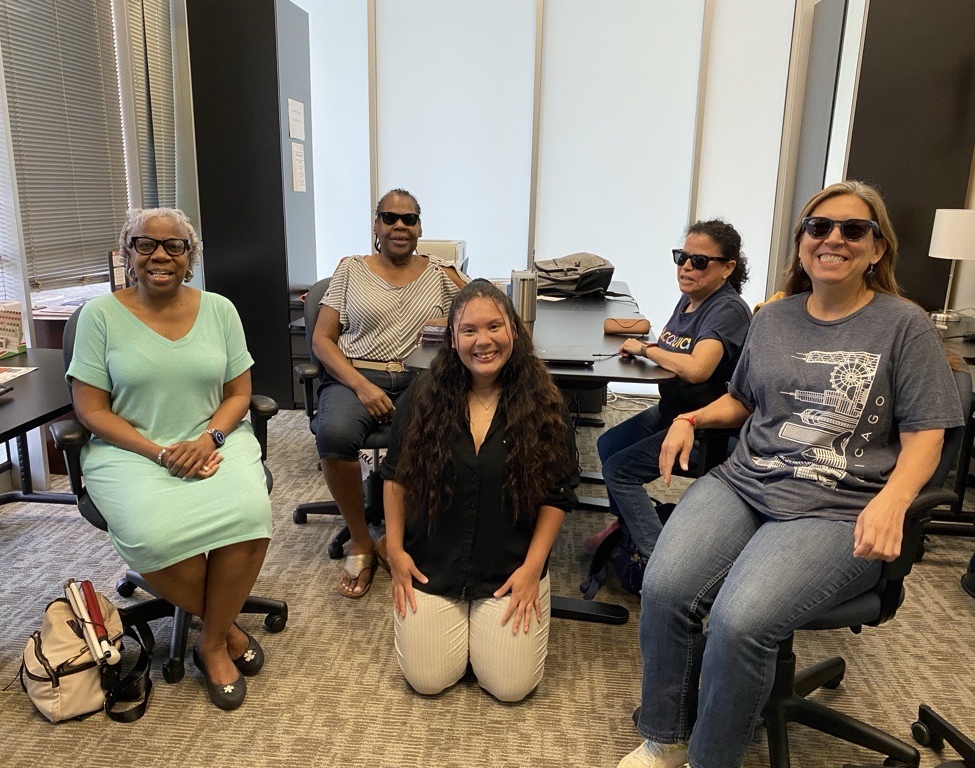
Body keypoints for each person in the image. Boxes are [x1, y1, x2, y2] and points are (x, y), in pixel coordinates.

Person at [618, 180, 964, 768]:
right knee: (665, 587)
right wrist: (693, 418)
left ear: (877, 249)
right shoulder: (773, 318)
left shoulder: (904, 326)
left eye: (853, 229)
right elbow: (745, 402)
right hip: (745, 483)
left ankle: (712, 758)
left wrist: (894, 501)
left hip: (838, 505)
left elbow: (926, 436)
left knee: (739, 620)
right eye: (818, 227)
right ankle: (666, 735)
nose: (833, 238)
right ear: (801, 242)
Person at [67, 208, 272, 712]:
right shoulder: (99, 316)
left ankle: (208, 640)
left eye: (174, 246)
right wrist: (159, 452)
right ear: (129, 255)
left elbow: (239, 393)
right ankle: (224, 630)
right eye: (145, 244)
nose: (160, 254)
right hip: (132, 452)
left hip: (213, 440)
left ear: (190, 257)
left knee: (249, 518)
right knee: (157, 536)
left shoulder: (220, 310)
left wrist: (210, 439)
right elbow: (90, 409)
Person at [379, 279, 579, 701]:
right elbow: (396, 477)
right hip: (434, 560)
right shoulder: (422, 396)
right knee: (429, 680)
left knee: (510, 687)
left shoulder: (546, 402)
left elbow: (557, 495)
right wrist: (395, 552)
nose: (482, 341)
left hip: (508, 567)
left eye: (494, 327)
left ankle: (483, 631)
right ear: (452, 339)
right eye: (468, 330)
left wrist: (531, 569)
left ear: (514, 332)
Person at [312, 188, 467, 598]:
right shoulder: (350, 270)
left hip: (420, 377)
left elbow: (487, 311)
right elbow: (322, 340)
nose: (400, 225)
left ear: (420, 228)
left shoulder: (438, 274)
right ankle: (364, 540)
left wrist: (457, 276)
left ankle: (411, 536)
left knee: (438, 434)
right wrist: (361, 386)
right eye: (390, 217)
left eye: (409, 219)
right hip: (358, 374)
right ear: (376, 225)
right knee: (335, 434)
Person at [591, 220, 751, 584]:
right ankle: (628, 526)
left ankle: (660, 568)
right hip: (672, 413)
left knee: (620, 470)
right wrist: (648, 350)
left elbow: (697, 368)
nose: (686, 267)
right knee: (608, 444)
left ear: (728, 268)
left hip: (707, 429)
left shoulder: (727, 310)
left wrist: (647, 350)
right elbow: (672, 350)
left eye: (699, 261)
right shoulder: (691, 299)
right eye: (682, 257)